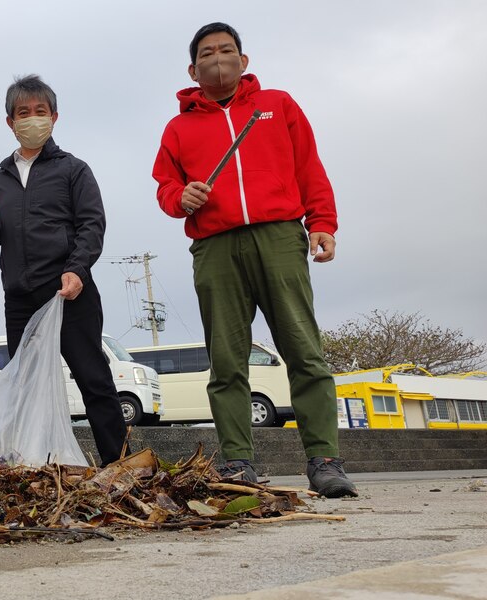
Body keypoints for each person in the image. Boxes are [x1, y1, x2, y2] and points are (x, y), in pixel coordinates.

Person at [151, 23, 356, 497]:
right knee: (226, 361)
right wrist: (181, 197)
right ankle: (238, 463)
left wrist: (322, 222)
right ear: (192, 70)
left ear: (243, 62)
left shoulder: (277, 105)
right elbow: (165, 186)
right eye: (206, 53)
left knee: (303, 349)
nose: (217, 58)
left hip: (279, 236)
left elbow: (309, 166)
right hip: (214, 246)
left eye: (226, 50)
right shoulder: (178, 127)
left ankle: (325, 460)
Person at [0, 74, 129, 467]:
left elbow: (92, 225)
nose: (32, 119)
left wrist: (77, 270)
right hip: (20, 298)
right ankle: (31, 466)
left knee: (93, 378)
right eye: (23, 112)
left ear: (54, 117)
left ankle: (120, 465)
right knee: (24, 387)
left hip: (68, 291)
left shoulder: (73, 170)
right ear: (10, 121)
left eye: (40, 111)